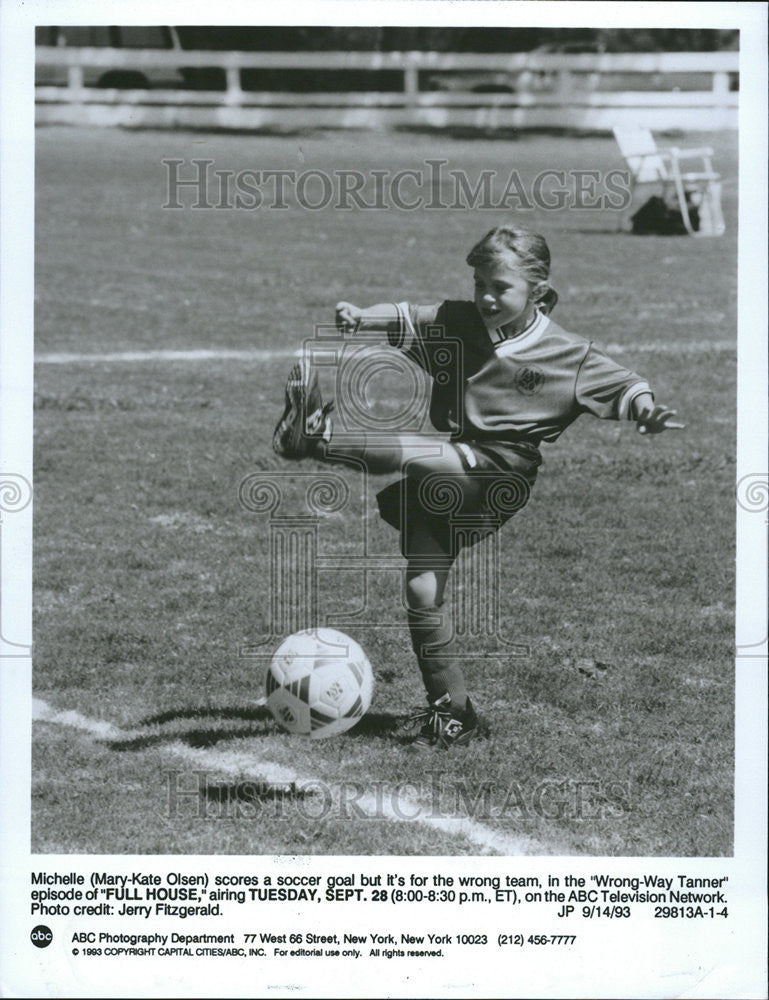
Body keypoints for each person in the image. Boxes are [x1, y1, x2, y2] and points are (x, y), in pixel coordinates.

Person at [272, 224, 684, 750]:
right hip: (454, 462)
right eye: (479, 284)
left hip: (500, 472)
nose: (486, 296)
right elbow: (410, 316)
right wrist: (360, 317)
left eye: (500, 287)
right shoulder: (462, 323)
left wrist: (646, 412)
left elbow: (625, 385)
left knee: (424, 457)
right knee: (422, 593)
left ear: (538, 292)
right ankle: (453, 712)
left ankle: (318, 436)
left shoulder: (569, 353)